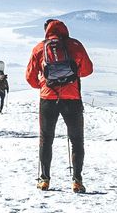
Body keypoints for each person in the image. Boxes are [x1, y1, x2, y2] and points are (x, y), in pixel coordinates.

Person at [25, 17, 93, 193]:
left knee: (46, 139)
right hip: (72, 99)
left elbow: (30, 78)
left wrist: (44, 84)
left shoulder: (40, 48)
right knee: (76, 141)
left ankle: (44, 180)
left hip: (48, 99)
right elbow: (88, 70)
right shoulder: (75, 45)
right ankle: (77, 181)